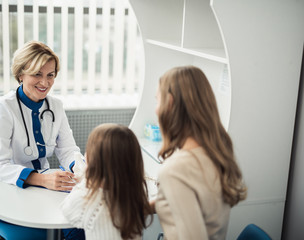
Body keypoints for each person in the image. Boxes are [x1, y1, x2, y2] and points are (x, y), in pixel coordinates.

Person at [0, 40, 85, 239]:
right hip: (9, 188)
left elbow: (67, 149)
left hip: (44, 188)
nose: (45, 83)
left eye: (50, 75)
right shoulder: (3, 109)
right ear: (21, 74)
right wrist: (42, 179)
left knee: (82, 221)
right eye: (37, 74)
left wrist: (79, 168)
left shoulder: (55, 106)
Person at [153, 66, 247, 239]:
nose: (155, 109)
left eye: (157, 100)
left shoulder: (175, 169)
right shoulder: (216, 151)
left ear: (170, 103)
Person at [60, 123, 153, 240]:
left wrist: (86, 180)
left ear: (92, 161)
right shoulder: (136, 191)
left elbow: (66, 210)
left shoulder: (88, 198)